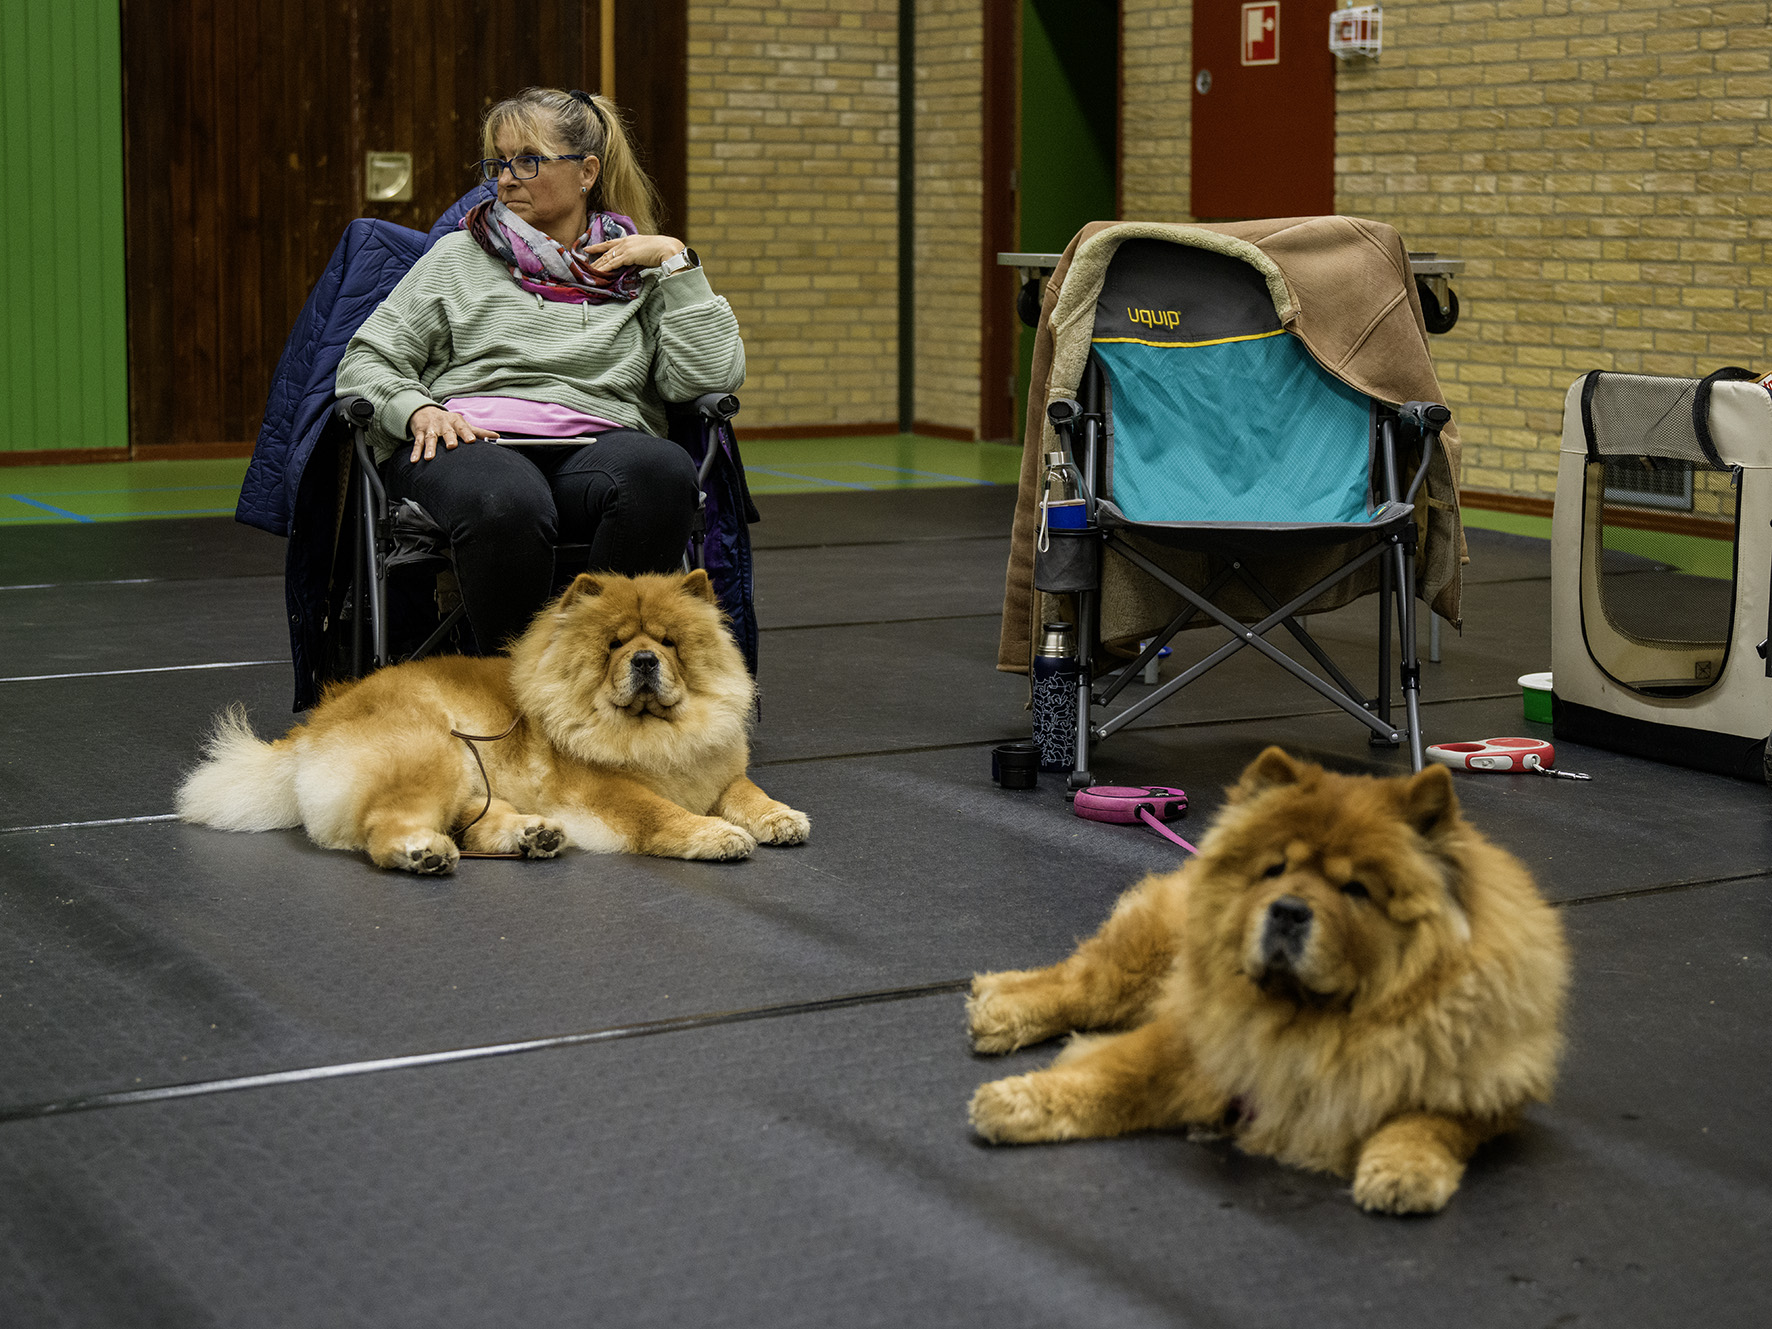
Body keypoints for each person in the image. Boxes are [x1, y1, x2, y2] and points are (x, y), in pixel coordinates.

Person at [336, 86, 744, 653]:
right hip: (469, 440)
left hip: (598, 443)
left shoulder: (638, 270)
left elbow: (709, 380)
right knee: (508, 501)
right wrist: (417, 409)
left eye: (527, 160)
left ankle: (590, 665)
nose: (506, 179)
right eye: (498, 162)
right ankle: (514, 685)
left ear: (587, 172)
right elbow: (366, 359)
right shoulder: (457, 257)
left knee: (662, 472)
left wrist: (677, 263)